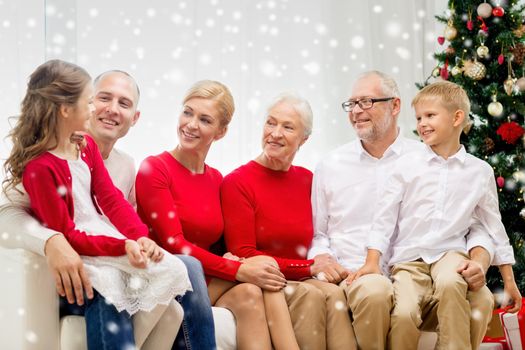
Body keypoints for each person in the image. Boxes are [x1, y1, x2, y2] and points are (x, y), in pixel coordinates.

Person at [0, 68, 217, 350]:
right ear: (71, 108)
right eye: (101, 98)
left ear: (135, 118)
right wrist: (51, 242)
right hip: (79, 265)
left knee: (184, 272)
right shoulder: (42, 164)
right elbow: (8, 215)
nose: (110, 109)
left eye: (124, 103)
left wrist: (139, 238)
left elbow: (115, 204)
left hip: (109, 251)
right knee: (113, 287)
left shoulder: (121, 163)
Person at [307, 71, 496, 350]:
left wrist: (479, 260)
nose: (357, 112)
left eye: (367, 102)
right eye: (352, 104)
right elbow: (318, 233)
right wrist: (321, 257)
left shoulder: (429, 157)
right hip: (360, 274)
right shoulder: (331, 165)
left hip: (422, 273)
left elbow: (475, 222)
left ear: (395, 106)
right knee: (375, 291)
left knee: (481, 299)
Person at [352, 80, 521, 349]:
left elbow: (493, 226)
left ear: (457, 118)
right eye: (419, 117)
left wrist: (508, 280)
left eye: (430, 116)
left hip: (449, 253)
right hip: (408, 260)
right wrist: (373, 261)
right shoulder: (405, 166)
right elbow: (383, 218)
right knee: (405, 312)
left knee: (452, 283)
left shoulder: (479, 172)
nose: (422, 123)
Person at [135, 80, 289, 350]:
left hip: (206, 279)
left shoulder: (217, 179)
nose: (191, 124)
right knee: (257, 276)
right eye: (187, 112)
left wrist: (232, 258)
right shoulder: (155, 168)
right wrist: (238, 269)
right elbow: (175, 244)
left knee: (252, 293)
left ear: (221, 132)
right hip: (170, 278)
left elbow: (220, 243)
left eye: (204, 120)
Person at [221, 92, 356, 350]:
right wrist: (308, 267)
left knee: (336, 295)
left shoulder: (308, 180)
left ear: (304, 139)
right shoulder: (238, 182)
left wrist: (326, 265)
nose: (275, 133)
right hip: (264, 280)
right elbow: (243, 253)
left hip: (300, 274)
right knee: (310, 295)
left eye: (287, 127)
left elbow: (325, 232)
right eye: (271, 123)